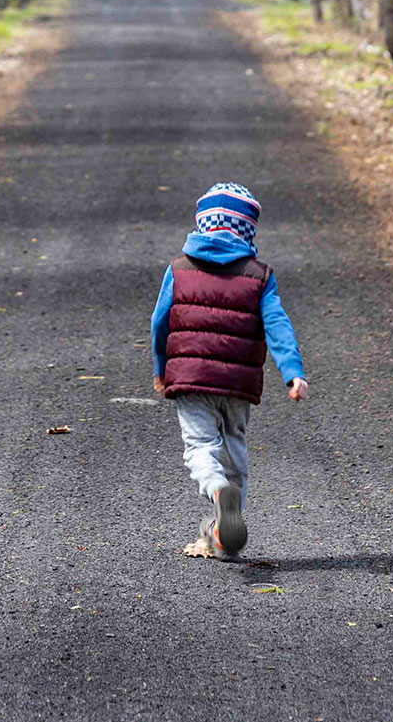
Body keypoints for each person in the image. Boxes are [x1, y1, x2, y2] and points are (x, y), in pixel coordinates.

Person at [150, 181, 308, 557]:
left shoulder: (178, 269)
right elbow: (278, 325)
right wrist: (293, 371)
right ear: (248, 230)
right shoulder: (259, 276)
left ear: (202, 225)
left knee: (200, 447)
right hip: (237, 383)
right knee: (234, 451)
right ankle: (223, 533)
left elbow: (160, 322)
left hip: (189, 378)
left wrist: (161, 368)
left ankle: (218, 495)